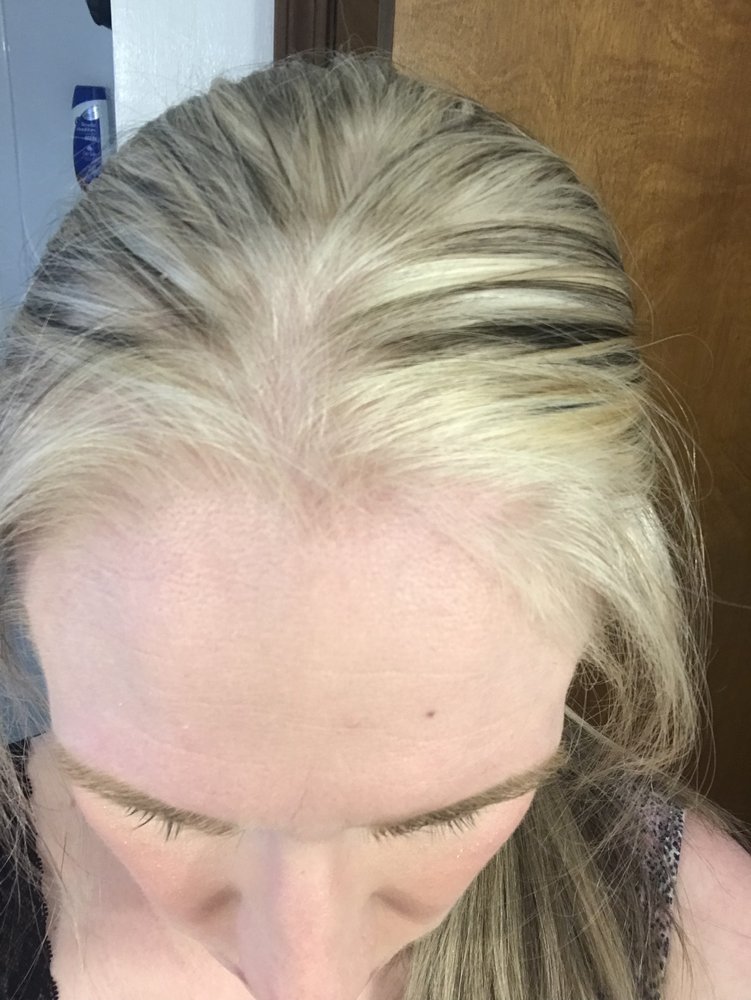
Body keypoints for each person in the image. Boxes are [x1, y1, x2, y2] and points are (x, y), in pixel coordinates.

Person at [0, 50, 749, 1000]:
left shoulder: (711, 952)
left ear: (593, 621)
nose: (306, 980)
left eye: (441, 817)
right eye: (163, 814)